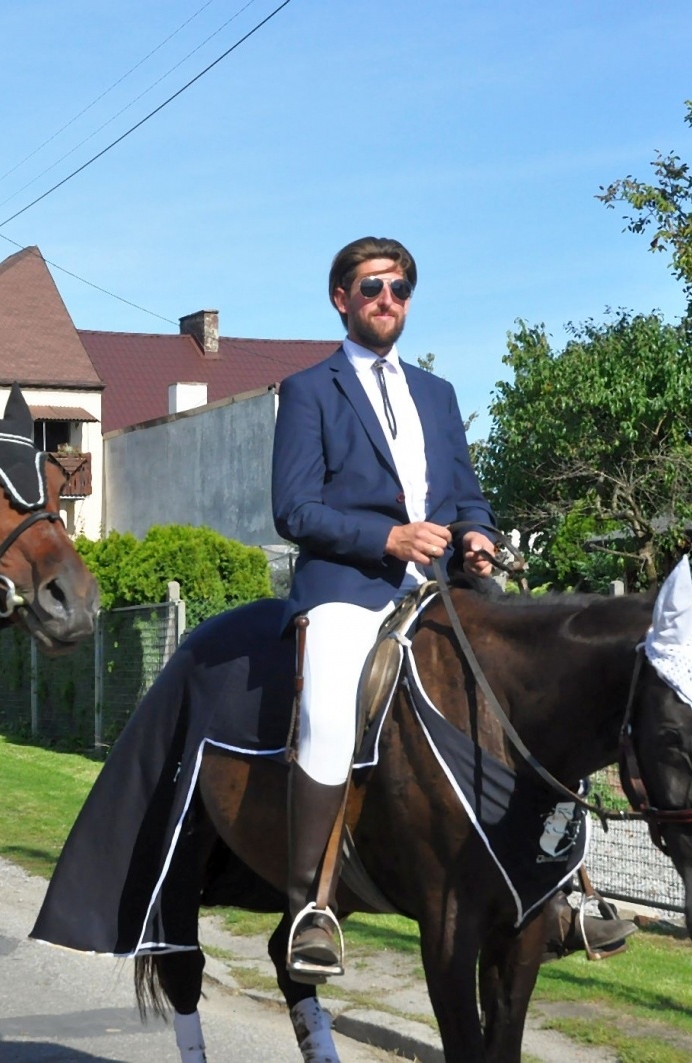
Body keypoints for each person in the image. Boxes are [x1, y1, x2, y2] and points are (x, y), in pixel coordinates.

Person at [271, 237, 499, 982]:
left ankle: (561, 887)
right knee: (330, 708)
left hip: (438, 591)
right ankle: (313, 902)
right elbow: (294, 509)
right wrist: (389, 537)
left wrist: (478, 539)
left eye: (400, 288)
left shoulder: (438, 394)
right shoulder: (309, 390)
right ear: (342, 298)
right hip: (348, 591)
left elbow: (467, 497)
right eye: (373, 287)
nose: (388, 300)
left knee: (525, 686)